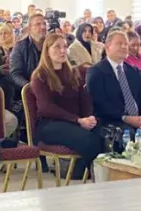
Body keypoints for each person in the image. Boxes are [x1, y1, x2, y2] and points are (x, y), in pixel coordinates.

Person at [30, 34, 102, 180]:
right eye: (57, 47)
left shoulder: (74, 73)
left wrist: (88, 117)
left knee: (105, 133)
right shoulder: (40, 76)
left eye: (64, 47)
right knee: (88, 140)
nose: (62, 51)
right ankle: (96, 177)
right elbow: (46, 107)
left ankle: (87, 172)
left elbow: (84, 100)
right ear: (47, 51)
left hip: (75, 121)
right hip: (50, 124)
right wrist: (77, 120)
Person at [86, 30, 141, 137]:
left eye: (126, 44)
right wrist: (126, 118)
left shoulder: (133, 71)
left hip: (139, 120)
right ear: (107, 47)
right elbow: (99, 104)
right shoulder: (96, 71)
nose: (123, 47)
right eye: (119, 43)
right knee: (130, 135)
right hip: (113, 120)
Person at [9, 14, 47, 90]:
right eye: (38, 24)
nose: (43, 27)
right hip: (28, 90)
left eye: (44, 24)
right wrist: (30, 87)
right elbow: (15, 74)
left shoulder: (52, 45)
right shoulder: (19, 47)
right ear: (29, 28)